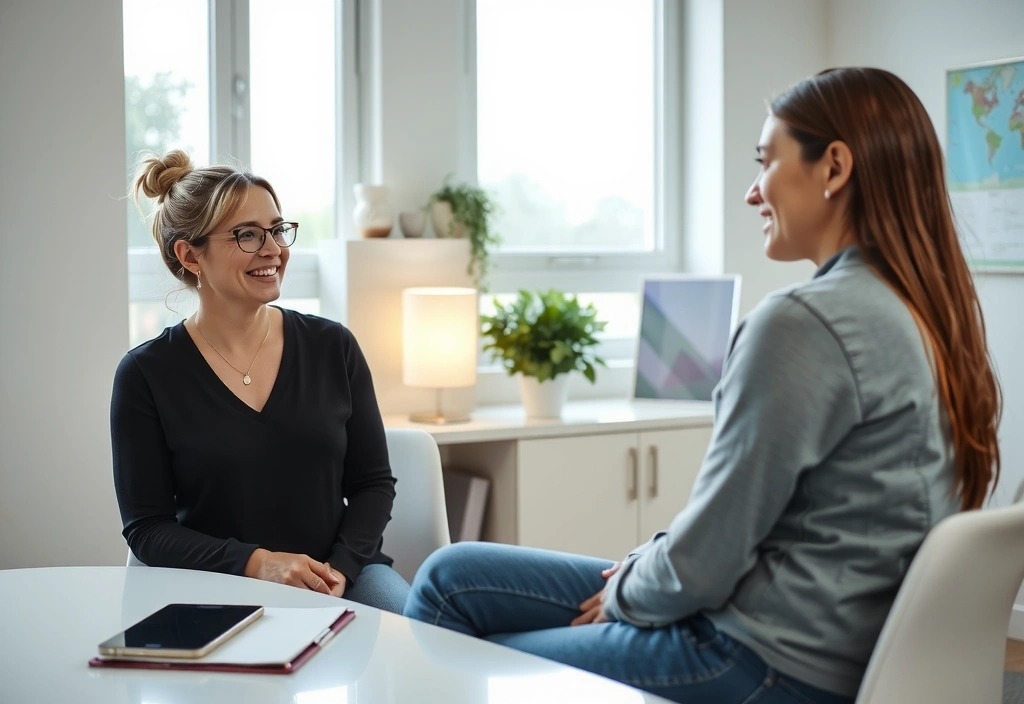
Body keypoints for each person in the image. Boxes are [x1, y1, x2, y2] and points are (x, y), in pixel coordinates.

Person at [404, 67, 1002, 702]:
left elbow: (706, 563)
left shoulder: (805, 323)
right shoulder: (924, 312)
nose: (752, 192)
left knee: (469, 660)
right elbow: (732, 530)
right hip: (819, 632)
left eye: (765, 160)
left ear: (833, 167)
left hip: (759, 657)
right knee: (452, 573)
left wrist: (627, 593)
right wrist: (638, 572)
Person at [111, 150, 409, 614]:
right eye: (246, 235)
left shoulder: (334, 347)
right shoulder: (145, 374)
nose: (273, 249)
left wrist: (340, 570)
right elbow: (148, 529)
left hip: (344, 576)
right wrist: (257, 564)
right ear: (190, 255)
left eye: (276, 229)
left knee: (414, 638)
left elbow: (373, 483)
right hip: (217, 585)